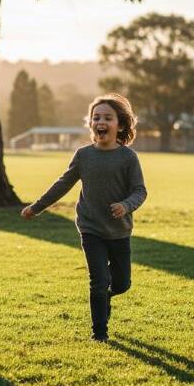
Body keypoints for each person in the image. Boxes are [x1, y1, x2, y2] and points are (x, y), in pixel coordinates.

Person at [22, 94, 147, 341]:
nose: (100, 121)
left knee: (121, 284)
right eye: (96, 117)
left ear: (120, 125)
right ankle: (99, 332)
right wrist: (37, 207)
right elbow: (63, 184)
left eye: (107, 118)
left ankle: (106, 298)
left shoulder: (128, 158)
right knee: (99, 280)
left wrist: (126, 205)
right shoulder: (83, 155)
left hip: (120, 230)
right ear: (90, 124)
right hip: (90, 228)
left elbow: (140, 191)